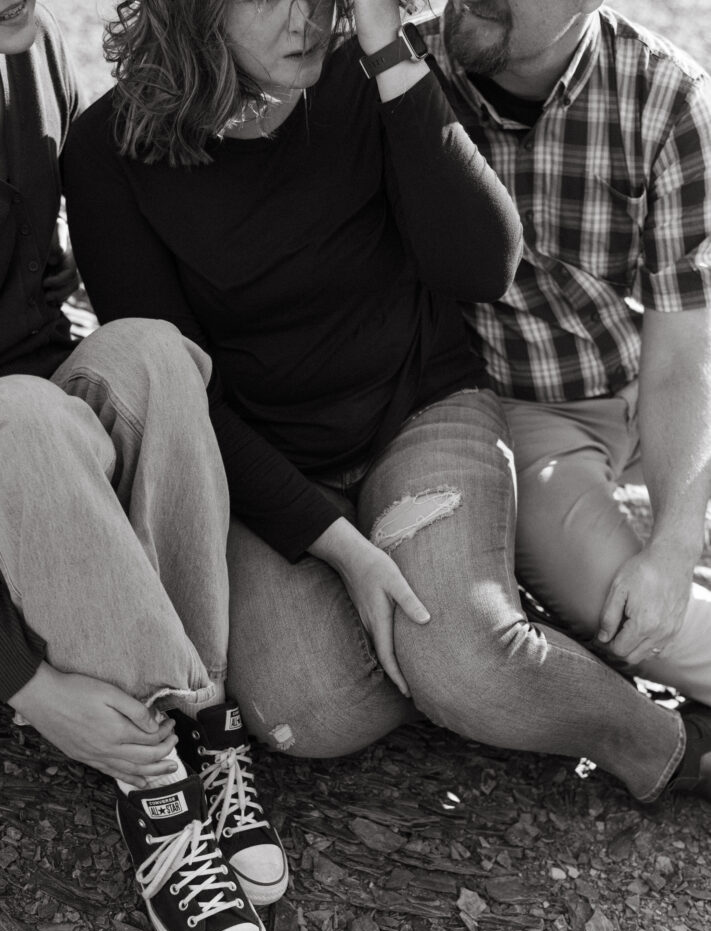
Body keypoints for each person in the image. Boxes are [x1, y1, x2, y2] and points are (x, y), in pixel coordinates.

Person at [63, 0, 709, 813]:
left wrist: (385, 56)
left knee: (466, 659)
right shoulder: (105, 151)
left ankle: (672, 749)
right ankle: (467, 639)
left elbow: (482, 268)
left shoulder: (366, 73)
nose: (307, 19)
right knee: (314, 711)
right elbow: (182, 403)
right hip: (262, 469)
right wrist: (346, 551)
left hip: (422, 412)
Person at [0, 0, 287, 931]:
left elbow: (37, 293)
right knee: (19, 419)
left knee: (156, 353)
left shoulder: (30, 47)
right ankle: (154, 784)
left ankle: (198, 709)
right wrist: (24, 683)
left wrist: (94, 430)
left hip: (25, 419)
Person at [422, 2, 711, 702]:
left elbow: (683, 356)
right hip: (528, 413)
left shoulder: (668, 98)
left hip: (656, 375)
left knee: (662, 569)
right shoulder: (407, 71)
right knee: (625, 611)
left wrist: (674, 547)